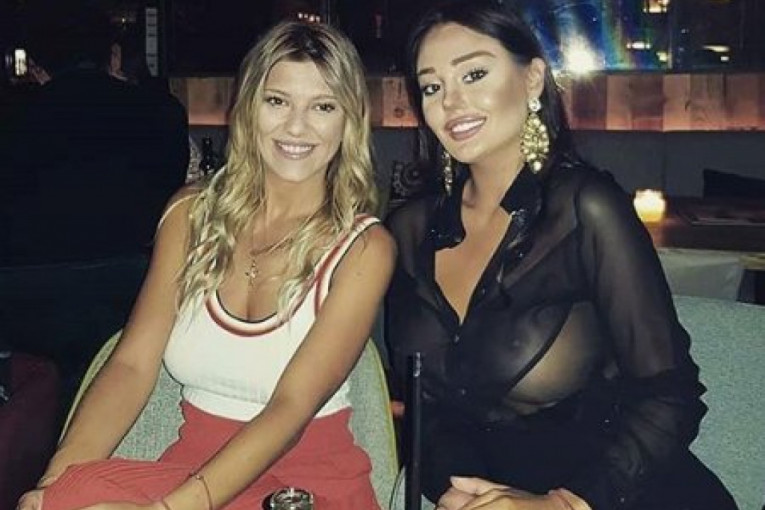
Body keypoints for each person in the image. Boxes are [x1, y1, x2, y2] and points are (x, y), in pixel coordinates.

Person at [17, 20, 394, 510]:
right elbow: (131, 365)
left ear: (349, 120)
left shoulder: (364, 249)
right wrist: (56, 483)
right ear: (247, 107)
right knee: (66, 497)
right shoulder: (190, 214)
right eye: (277, 101)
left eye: (323, 106)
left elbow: (290, 409)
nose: (296, 127)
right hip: (187, 471)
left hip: (302, 489)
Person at [385, 2, 736, 510]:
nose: (451, 102)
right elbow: (427, 411)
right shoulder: (409, 230)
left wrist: (563, 503)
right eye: (432, 86)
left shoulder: (585, 207)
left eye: (474, 74)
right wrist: (453, 490)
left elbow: (671, 394)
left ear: (532, 79)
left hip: (615, 494)